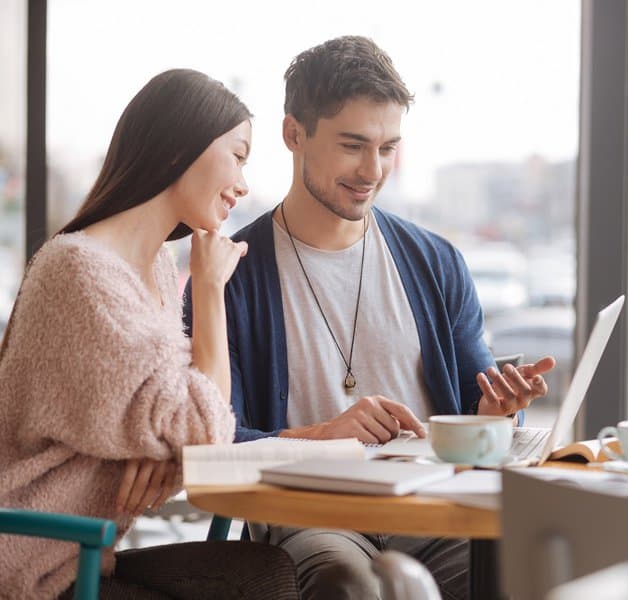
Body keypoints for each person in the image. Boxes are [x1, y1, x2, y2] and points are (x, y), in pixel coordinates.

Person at [183, 36, 555, 599]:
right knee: (347, 585)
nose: (372, 170)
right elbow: (218, 442)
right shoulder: (230, 278)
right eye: (353, 145)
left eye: (388, 148)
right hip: (313, 519)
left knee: (526, 567)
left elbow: (476, 415)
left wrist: (494, 412)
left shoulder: (436, 262)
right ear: (293, 135)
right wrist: (323, 437)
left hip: (434, 513)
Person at [0, 69, 299, 599]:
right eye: (238, 156)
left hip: (87, 556)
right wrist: (210, 288)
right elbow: (205, 429)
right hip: (34, 567)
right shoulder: (79, 271)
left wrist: (168, 450)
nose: (244, 184)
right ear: (177, 149)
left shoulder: (155, 267)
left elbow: (187, 424)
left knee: (266, 571)